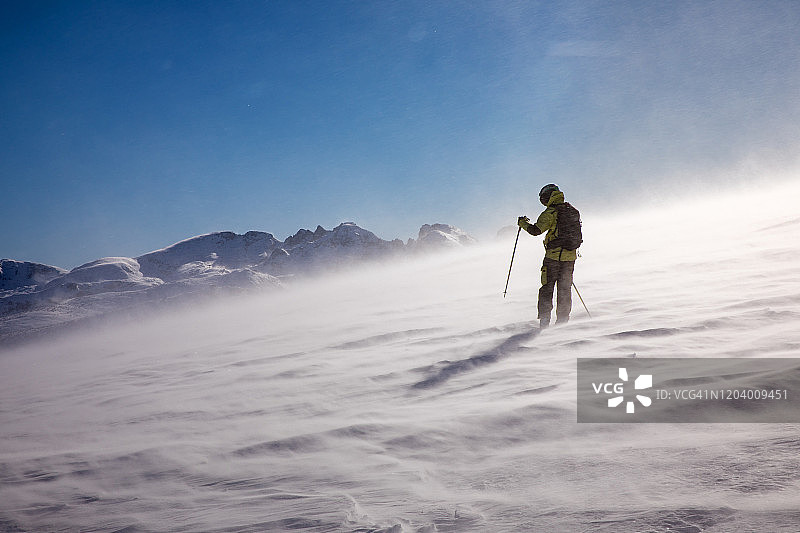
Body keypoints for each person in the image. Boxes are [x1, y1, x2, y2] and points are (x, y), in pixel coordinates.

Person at [517, 184, 580, 329]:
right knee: (565, 289)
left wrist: (523, 223)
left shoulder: (551, 213)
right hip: (570, 257)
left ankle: (544, 322)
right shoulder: (572, 211)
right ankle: (563, 322)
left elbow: (536, 230)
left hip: (553, 257)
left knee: (547, 288)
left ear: (548, 197)